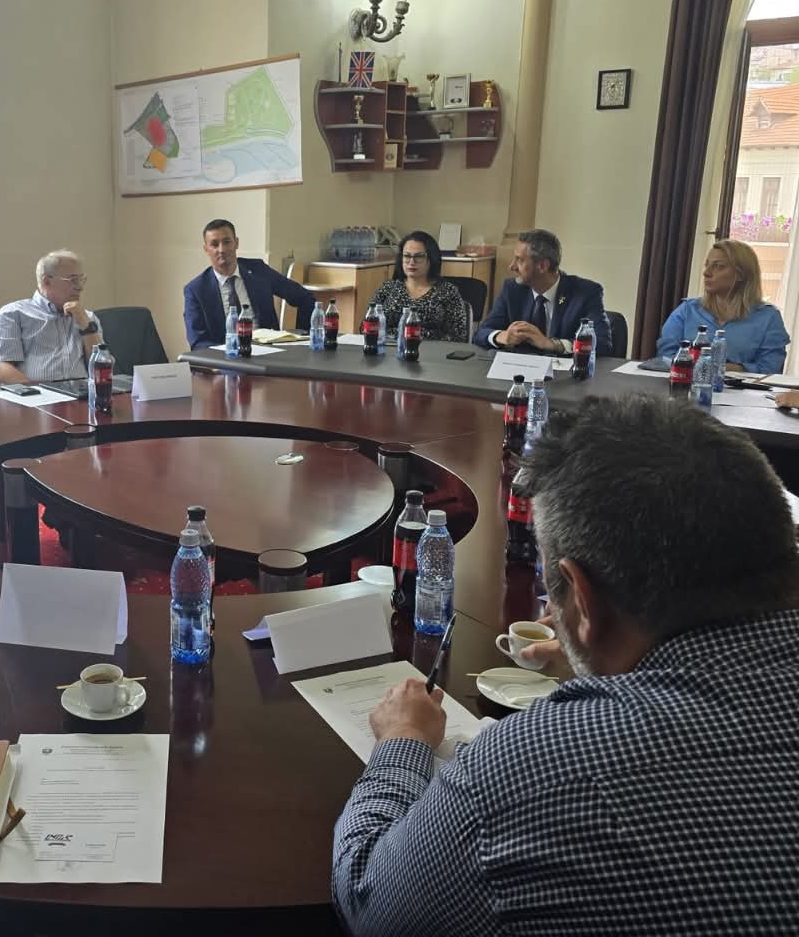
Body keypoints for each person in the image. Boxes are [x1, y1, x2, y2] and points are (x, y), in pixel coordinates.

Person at [333, 395, 799, 936]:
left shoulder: (532, 771)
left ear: (580, 597)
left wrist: (403, 742)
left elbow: (371, 903)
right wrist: (611, 663)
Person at [657, 239, 788, 373]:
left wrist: (733, 369)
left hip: (740, 386)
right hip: (686, 383)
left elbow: (770, 369)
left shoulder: (768, 318)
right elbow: (665, 357)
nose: (706, 273)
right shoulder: (687, 310)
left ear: (741, 274)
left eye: (718, 266)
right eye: (707, 265)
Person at [474, 229, 613, 356]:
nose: (512, 266)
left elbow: (602, 344)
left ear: (542, 266)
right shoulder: (512, 289)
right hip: (519, 371)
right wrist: (503, 336)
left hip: (564, 373)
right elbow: (481, 333)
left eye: (519, 260)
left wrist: (551, 344)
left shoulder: (586, 293)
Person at [184, 219, 315, 350]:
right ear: (206, 249)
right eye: (214, 244)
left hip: (268, 353)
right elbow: (198, 342)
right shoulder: (196, 290)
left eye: (227, 242)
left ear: (236, 243)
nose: (221, 249)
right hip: (226, 357)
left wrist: (303, 338)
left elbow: (304, 297)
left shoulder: (258, 270)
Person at [0, 250, 102, 384]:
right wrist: (38, 392)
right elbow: (0, 370)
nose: (80, 287)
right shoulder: (13, 314)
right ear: (47, 281)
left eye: (82, 280)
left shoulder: (87, 317)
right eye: (73, 280)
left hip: (82, 392)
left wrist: (87, 327)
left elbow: (103, 369)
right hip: (36, 393)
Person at [368, 231, 467, 342]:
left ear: (432, 258)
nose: (411, 262)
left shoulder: (447, 291)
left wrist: (416, 336)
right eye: (407, 256)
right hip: (388, 348)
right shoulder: (389, 288)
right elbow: (366, 326)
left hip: (433, 350)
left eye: (419, 256)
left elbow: (458, 336)